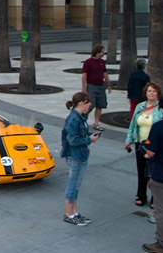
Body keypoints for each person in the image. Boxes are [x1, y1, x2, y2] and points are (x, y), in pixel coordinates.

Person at [61, 91, 101, 226]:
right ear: (82, 103)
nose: (90, 105)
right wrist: (89, 139)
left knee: (76, 185)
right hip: (75, 156)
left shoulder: (80, 117)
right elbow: (73, 140)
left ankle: (74, 212)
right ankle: (69, 214)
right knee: (73, 185)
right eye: (88, 103)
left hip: (81, 155)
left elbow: (80, 134)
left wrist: (90, 135)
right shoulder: (74, 119)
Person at [126, 83, 163, 208]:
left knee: (154, 172)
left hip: (156, 146)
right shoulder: (140, 107)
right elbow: (133, 125)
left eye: (154, 91)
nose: (152, 93)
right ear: (145, 93)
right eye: (149, 91)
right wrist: (129, 140)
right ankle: (141, 195)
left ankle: (155, 198)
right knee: (141, 171)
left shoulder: (161, 108)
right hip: (141, 144)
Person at [143, 102, 163, 253]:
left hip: (161, 175)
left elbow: (150, 152)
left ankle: (162, 243)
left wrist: (144, 149)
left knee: (161, 210)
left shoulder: (158, 127)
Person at [81, 44, 112, 131]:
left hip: (101, 86)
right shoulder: (88, 62)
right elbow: (84, 75)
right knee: (91, 105)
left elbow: (105, 73)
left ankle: (96, 123)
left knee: (100, 105)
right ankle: (82, 120)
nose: (103, 53)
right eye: (102, 51)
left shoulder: (102, 62)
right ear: (98, 52)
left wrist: (108, 84)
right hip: (91, 86)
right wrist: (84, 87)